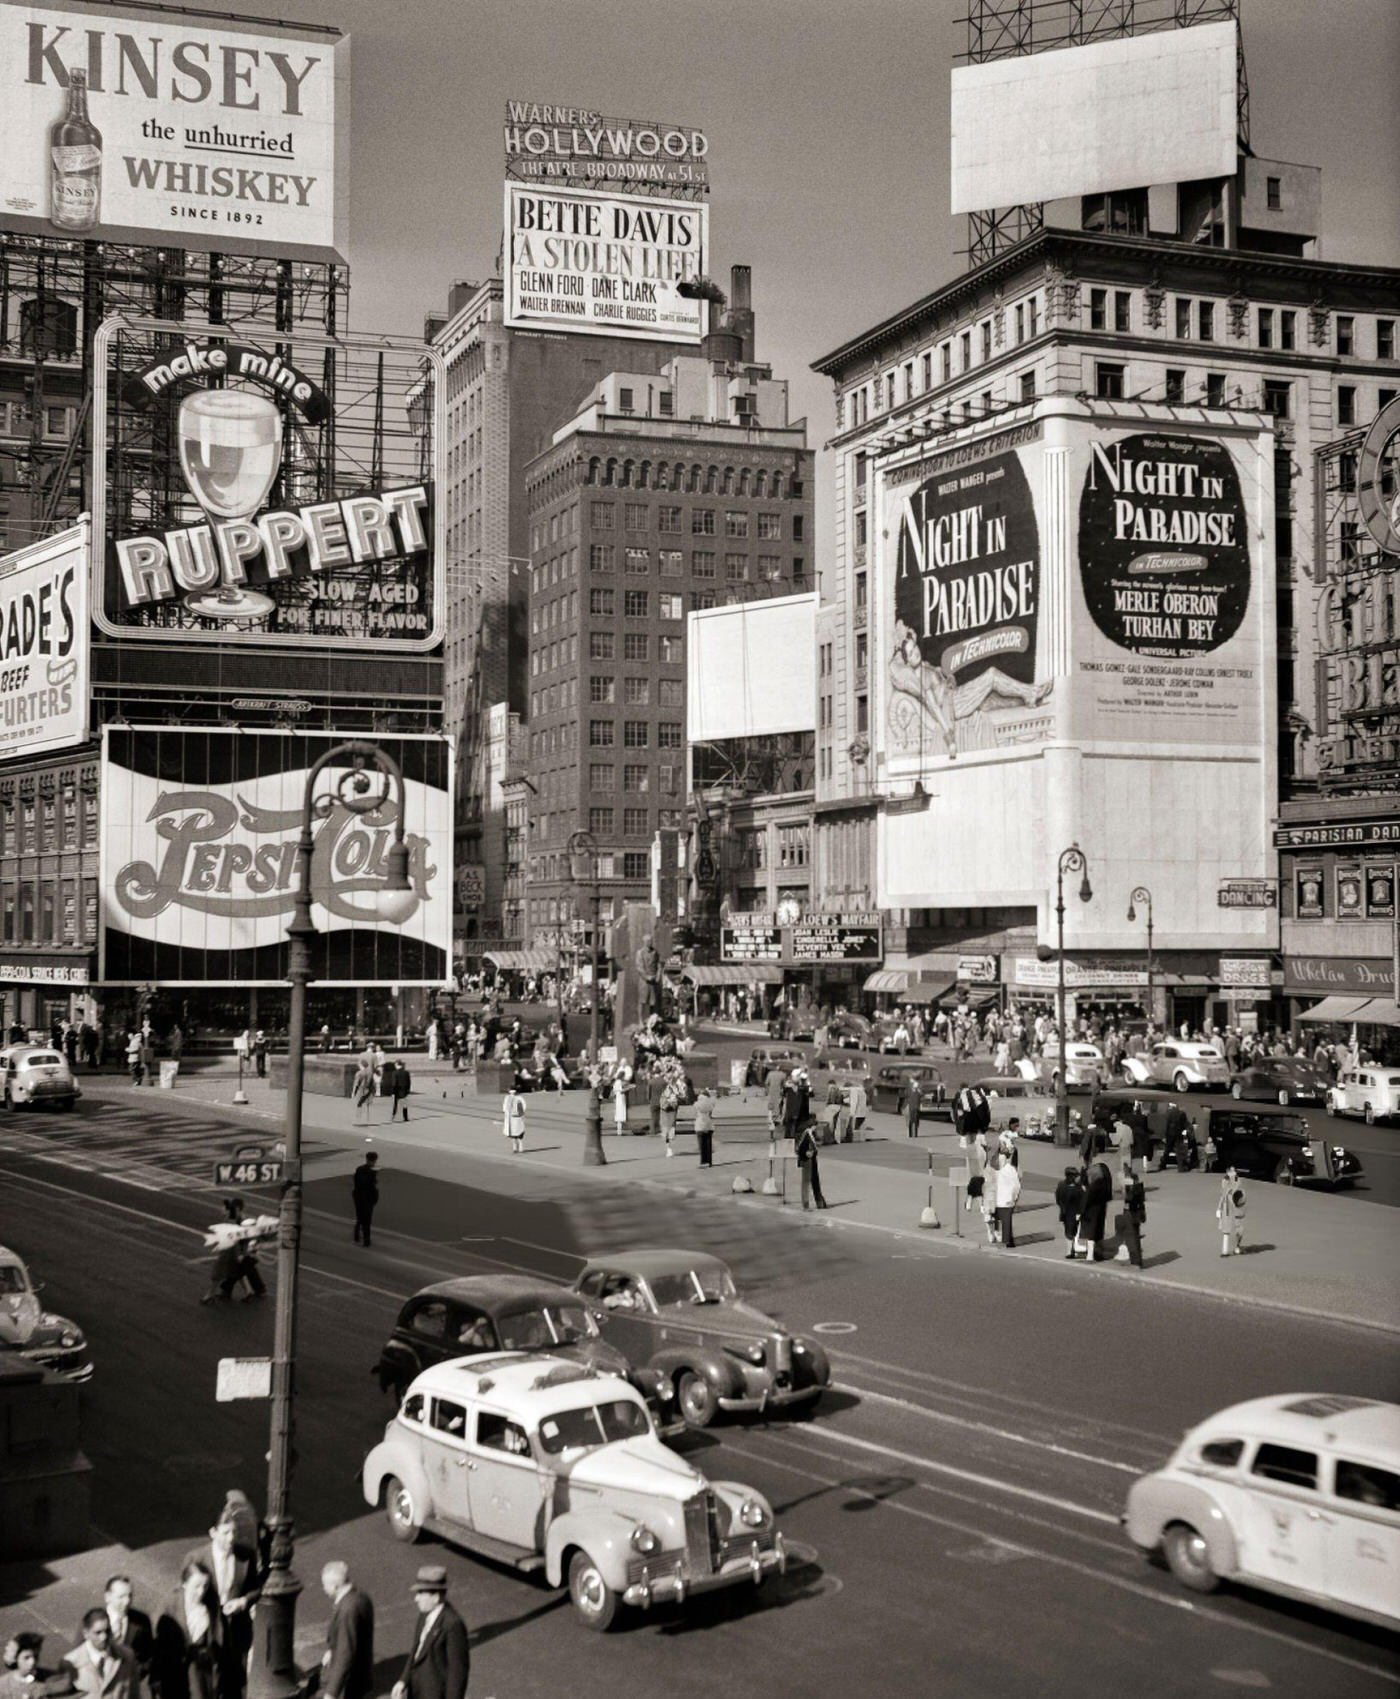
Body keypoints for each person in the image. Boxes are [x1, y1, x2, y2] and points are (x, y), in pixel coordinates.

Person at [183, 1515, 259, 1699]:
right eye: (225, 1533)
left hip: (237, 1630)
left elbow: (255, 1588)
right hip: (209, 1630)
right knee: (208, 1682)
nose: (231, 1538)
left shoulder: (246, 1555)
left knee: (236, 1681)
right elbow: (187, 1594)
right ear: (213, 1532)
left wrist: (243, 1602)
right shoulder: (196, 1558)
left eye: (234, 1532)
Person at [391, 1567, 468, 1699]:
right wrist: (403, 1680)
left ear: (435, 1597)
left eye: (421, 1593)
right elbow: (416, 1650)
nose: (416, 1598)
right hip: (416, 1691)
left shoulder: (452, 1624)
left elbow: (457, 1674)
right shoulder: (424, 1615)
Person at [152, 1562, 224, 1699]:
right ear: (184, 1584)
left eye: (205, 1586)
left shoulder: (211, 1606)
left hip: (199, 1674)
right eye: (196, 1586)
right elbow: (157, 1643)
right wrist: (156, 1676)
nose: (201, 1592)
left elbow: (218, 1639)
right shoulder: (169, 1604)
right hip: (172, 1672)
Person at [56, 1612, 143, 1699]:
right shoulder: (71, 1662)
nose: (104, 1637)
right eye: (98, 1633)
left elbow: (134, 1694)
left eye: (107, 1631)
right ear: (86, 1633)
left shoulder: (126, 1656)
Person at [319, 1563, 374, 1699]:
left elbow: (346, 1653)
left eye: (325, 1585)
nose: (323, 1589)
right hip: (360, 1674)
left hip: (348, 1684)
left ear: (335, 1586)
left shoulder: (347, 1609)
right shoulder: (361, 1596)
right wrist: (331, 1650)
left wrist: (331, 1692)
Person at [95, 1577, 153, 1680]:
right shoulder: (93, 1621)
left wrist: (135, 1674)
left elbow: (148, 1655)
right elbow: (78, 1655)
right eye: (121, 1597)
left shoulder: (141, 1621)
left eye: (130, 1596)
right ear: (107, 1597)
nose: (127, 1601)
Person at [1077, 1159, 1113, 1262]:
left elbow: (1086, 1198)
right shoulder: (1103, 1177)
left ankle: (1090, 1255)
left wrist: (1080, 1211)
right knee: (1099, 1231)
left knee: (1091, 1233)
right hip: (1101, 1206)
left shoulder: (1092, 1186)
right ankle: (1098, 1253)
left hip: (1091, 1210)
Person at [0, 1634, 50, 1699]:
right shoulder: (3, 1686)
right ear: (15, 1658)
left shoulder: (48, 1679)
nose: (32, 1662)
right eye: (26, 1658)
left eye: (35, 1656)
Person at [793, 1117, 827, 1211]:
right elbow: (800, 1148)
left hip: (811, 1160)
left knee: (813, 1181)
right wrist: (807, 1153)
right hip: (807, 1161)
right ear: (812, 1126)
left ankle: (819, 1202)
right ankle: (806, 1204)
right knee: (806, 1183)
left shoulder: (809, 1134)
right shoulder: (807, 1134)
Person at [1054, 1165, 1086, 1259]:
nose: (1077, 1178)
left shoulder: (1061, 1185)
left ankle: (1070, 1250)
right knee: (1072, 1232)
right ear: (1070, 1176)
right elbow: (1082, 1201)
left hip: (1065, 1213)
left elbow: (1058, 1198)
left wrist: (1062, 1207)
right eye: (1075, 1176)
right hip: (1073, 1213)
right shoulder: (1078, 1188)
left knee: (1069, 1231)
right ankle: (1070, 1250)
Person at [1120, 1161, 1147, 1268]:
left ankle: (1135, 1262)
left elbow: (1128, 1199)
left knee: (1131, 1237)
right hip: (1137, 1212)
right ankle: (1137, 1260)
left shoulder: (1129, 1186)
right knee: (1135, 1235)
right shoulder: (1138, 1186)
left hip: (1130, 1212)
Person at [992, 1151, 1021, 1248]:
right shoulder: (1007, 1169)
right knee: (1005, 1220)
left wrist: (1015, 1196)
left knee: (1004, 1220)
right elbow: (1016, 1184)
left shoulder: (1005, 1170)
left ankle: (1007, 1239)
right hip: (1003, 1199)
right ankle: (1007, 1239)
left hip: (1004, 1198)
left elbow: (1016, 1185)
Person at [1217, 1167, 1247, 1257]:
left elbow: (1239, 1193)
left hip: (1234, 1208)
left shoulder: (1236, 1180)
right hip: (1229, 1208)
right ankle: (1226, 1250)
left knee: (1238, 1229)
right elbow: (1223, 1194)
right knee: (1228, 1229)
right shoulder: (1226, 1180)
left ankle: (1234, 1248)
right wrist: (1219, 1208)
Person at [352, 1152, 379, 1247]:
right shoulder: (372, 1172)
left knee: (360, 1217)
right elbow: (372, 1186)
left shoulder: (359, 1169)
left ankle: (357, 1233)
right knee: (367, 1219)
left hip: (358, 1197)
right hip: (367, 1199)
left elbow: (356, 1183)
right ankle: (366, 1239)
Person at [693, 1087, 715, 1168]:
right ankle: (709, 1162)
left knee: (701, 1146)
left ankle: (703, 1162)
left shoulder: (697, 1104)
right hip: (709, 1125)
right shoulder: (710, 1103)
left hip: (700, 1125)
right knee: (708, 1144)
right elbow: (711, 1113)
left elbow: (695, 1114)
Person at [351, 1058, 376, 1126]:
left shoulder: (359, 1073)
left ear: (361, 1065)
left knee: (358, 1105)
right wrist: (373, 1092)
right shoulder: (370, 1073)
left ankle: (358, 1120)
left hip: (361, 1091)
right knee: (367, 1105)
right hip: (368, 1090)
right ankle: (367, 1120)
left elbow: (356, 1084)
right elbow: (373, 1083)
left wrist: (353, 1093)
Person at [502, 1085, 526, 1153]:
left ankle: (515, 1147)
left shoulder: (507, 1097)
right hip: (516, 1117)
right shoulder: (519, 1097)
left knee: (514, 1133)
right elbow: (523, 1107)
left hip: (511, 1118)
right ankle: (519, 1147)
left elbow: (504, 1108)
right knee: (518, 1132)